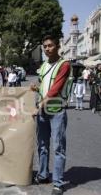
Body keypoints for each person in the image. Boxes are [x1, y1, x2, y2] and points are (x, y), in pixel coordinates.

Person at [31, 35, 72, 195]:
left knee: (58, 147)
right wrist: (37, 88)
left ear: (58, 46)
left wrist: (40, 105)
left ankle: (59, 183)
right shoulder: (43, 65)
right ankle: (43, 175)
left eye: (50, 45)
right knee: (42, 145)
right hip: (43, 111)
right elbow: (44, 85)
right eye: (45, 46)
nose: (47, 49)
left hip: (56, 111)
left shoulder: (64, 65)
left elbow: (55, 89)